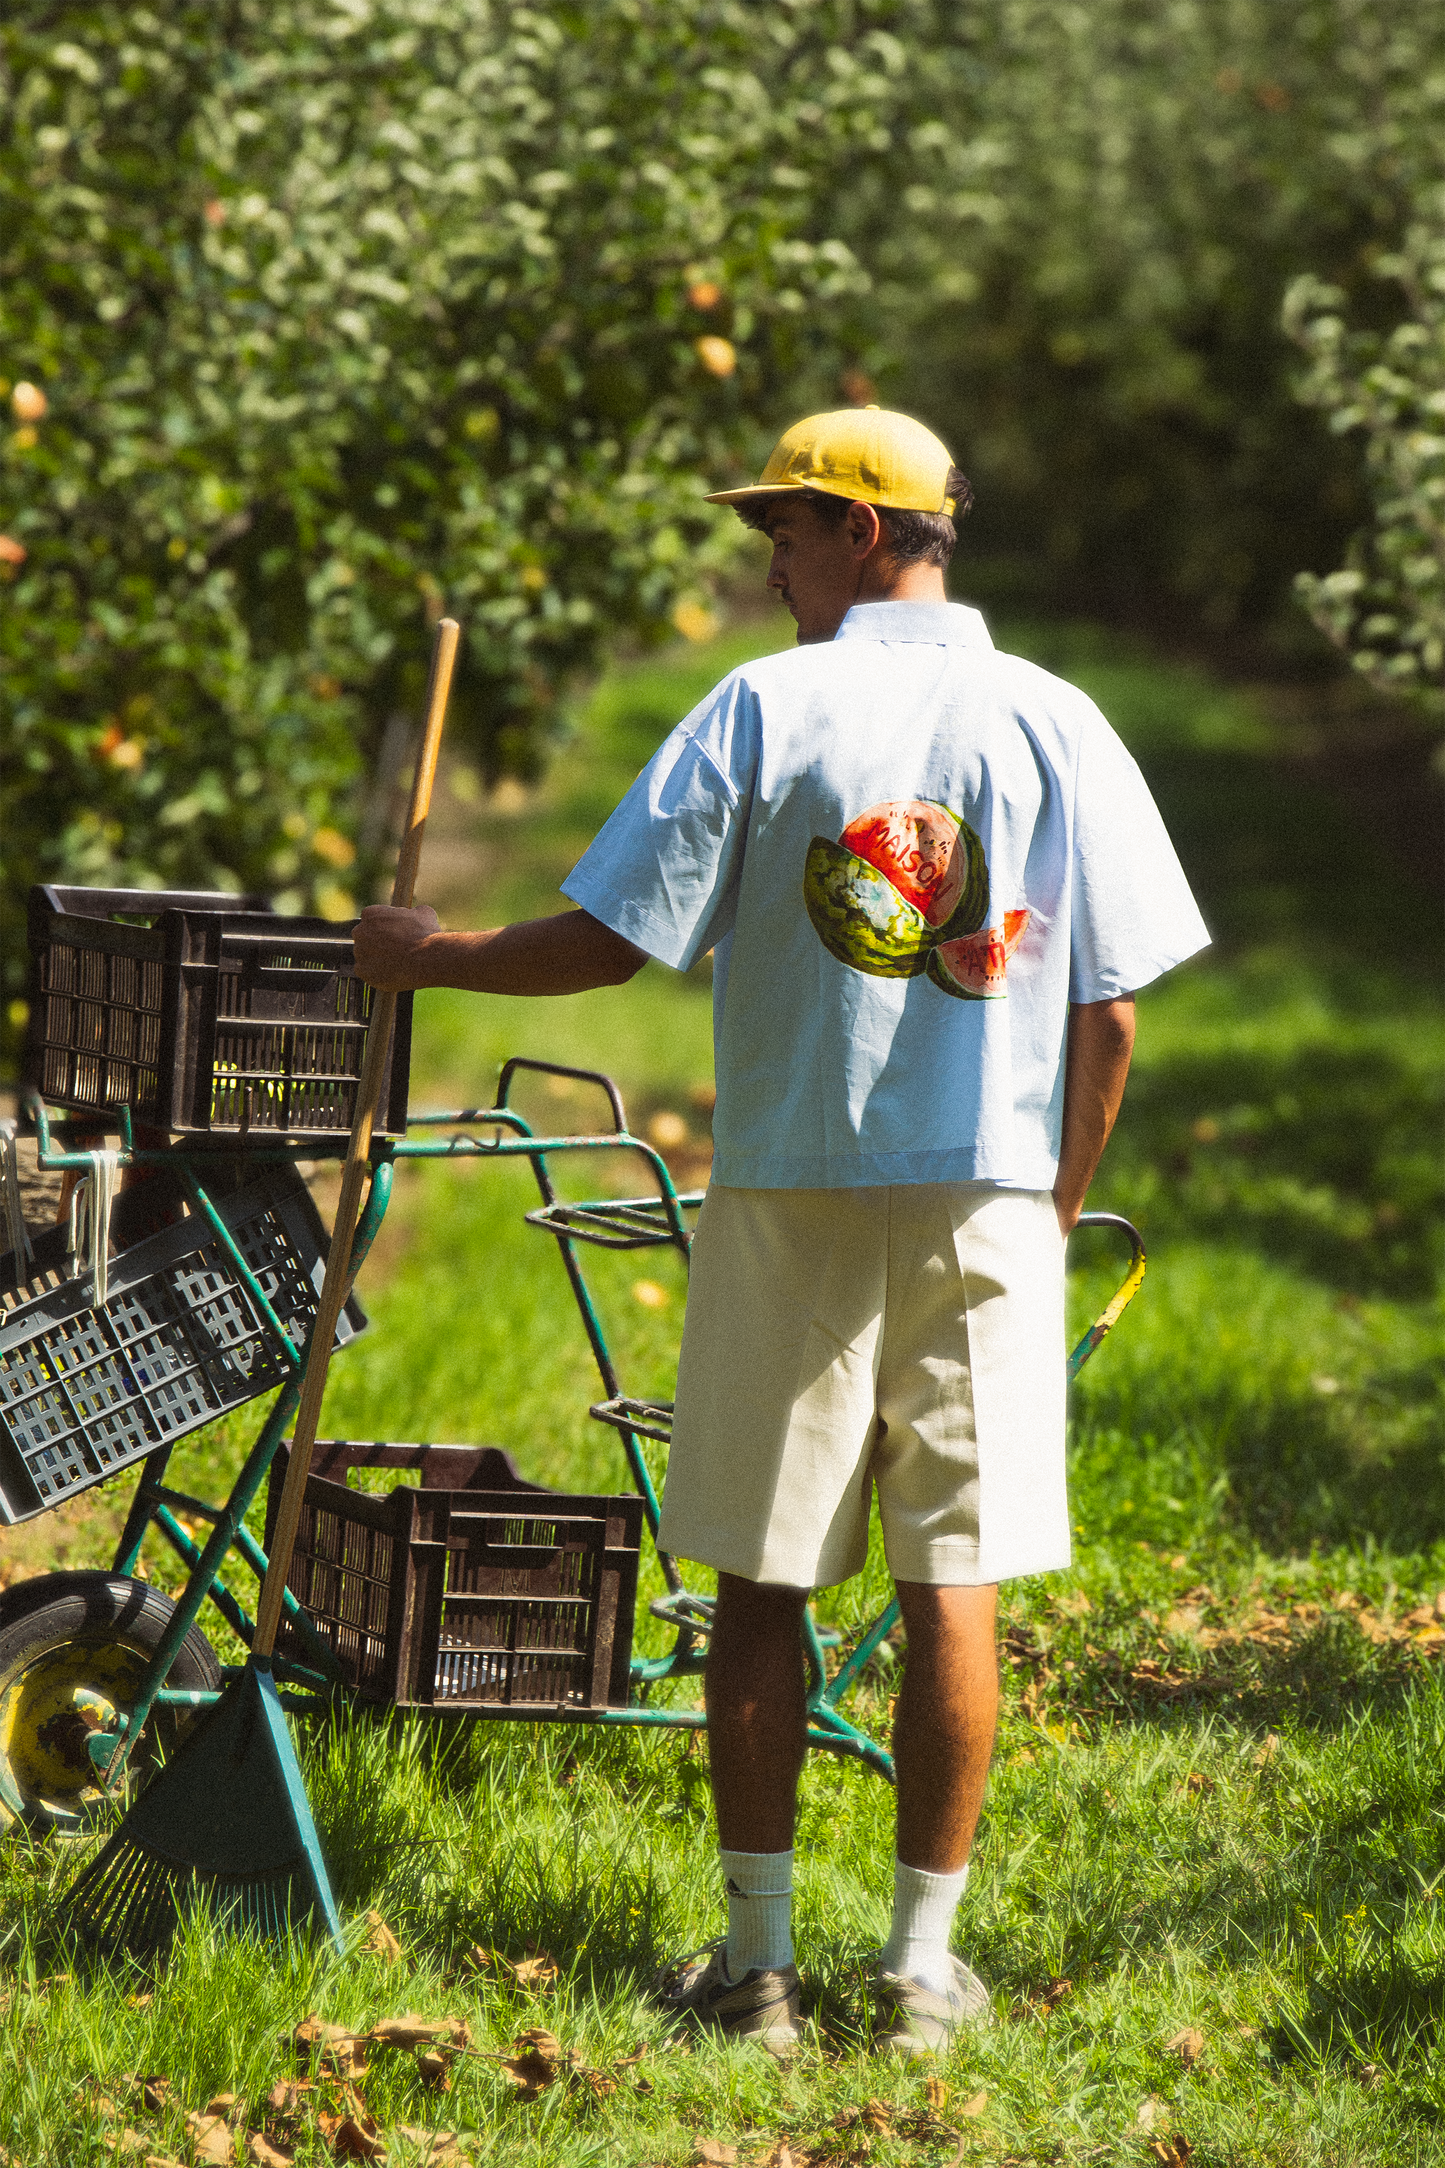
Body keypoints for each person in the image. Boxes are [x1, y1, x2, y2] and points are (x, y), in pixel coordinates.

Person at [354, 406, 1209, 2058]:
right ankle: (917, 1977)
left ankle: (757, 1974)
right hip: (981, 1194)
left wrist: (428, 953)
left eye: (793, 527)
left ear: (873, 536)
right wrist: (1046, 1199)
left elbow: (609, 943)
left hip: (792, 1185)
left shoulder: (767, 707)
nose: (769, 558)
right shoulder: (1056, 722)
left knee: (762, 1572)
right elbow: (1106, 1015)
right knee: (955, 1575)